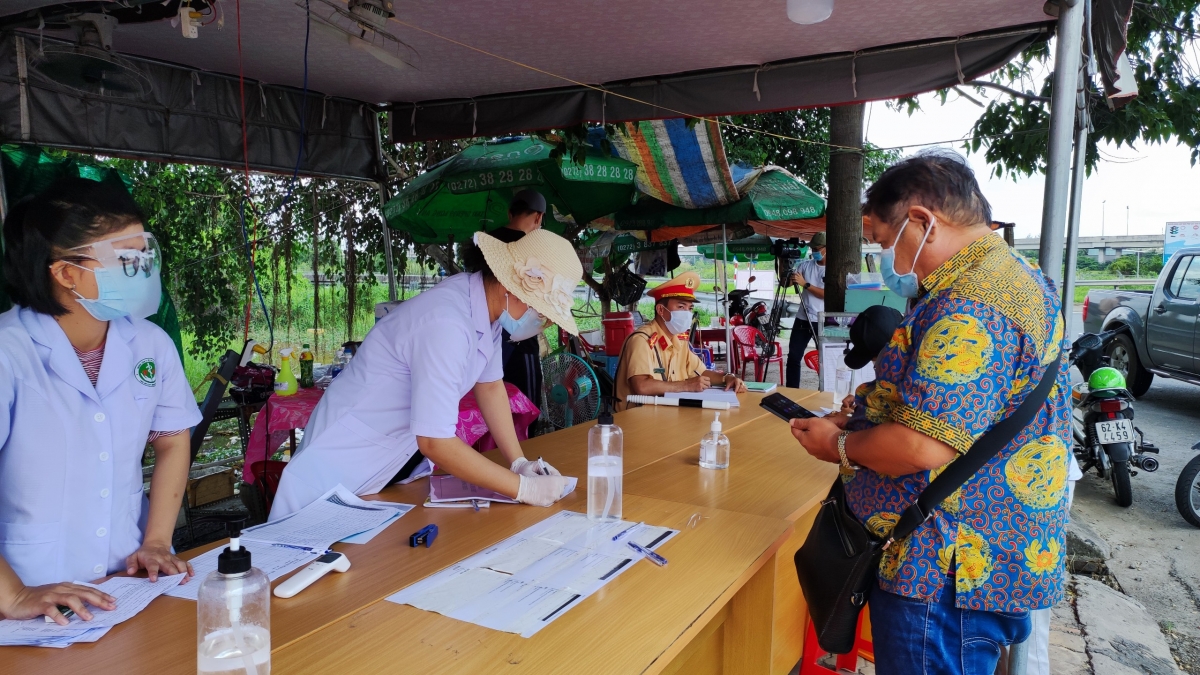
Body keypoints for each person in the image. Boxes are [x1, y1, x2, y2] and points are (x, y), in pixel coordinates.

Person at [789, 152, 1070, 675]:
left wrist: (837, 447)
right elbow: (953, 407)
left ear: (922, 222)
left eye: (883, 242)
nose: (888, 262)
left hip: (945, 570)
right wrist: (859, 418)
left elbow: (920, 447)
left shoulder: (973, 304)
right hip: (974, 555)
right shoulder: (1013, 276)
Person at [0, 178, 201, 625]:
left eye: (146, 254)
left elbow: (171, 440)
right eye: (126, 259)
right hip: (29, 588)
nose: (144, 269)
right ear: (66, 272)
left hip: (125, 580)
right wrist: (12, 595)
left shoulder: (150, 344)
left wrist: (155, 543)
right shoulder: (8, 351)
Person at [270, 229, 581, 519]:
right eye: (541, 311)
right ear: (507, 285)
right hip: (336, 467)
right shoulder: (447, 322)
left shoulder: (487, 313)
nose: (544, 323)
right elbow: (435, 441)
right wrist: (522, 489)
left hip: (384, 468)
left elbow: (490, 387)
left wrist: (519, 463)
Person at [460, 190, 549, 405]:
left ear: (510, 213)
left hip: (481, 332)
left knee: (484, 403)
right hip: (520, 342)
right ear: (538, 217)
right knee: (524, 407)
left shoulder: (485, 243)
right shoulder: (534, 251)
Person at [613, 271, 746, 411]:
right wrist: (687, 385)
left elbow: (702, 372)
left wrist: (727, 378)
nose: (687, 314)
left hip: (665, 414)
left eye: (690, 308)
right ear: (661, 310)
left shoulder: (679, 341)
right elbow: (641, 386)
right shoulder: (641, 340)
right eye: (681, 307)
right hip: (637, 418)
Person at [825, 304, 904, 432]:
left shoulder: (916, 383)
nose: (876, 368)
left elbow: (895, 431)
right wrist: (863, 401)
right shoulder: (900, 368)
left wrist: (853, 419)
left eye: (876, 360)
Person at [784, 232, 827, 388]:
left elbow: (827, 295)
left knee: (824, 359)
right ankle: (792, 389)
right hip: (802, 318)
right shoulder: (805, 265)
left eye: (817, 248)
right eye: (812, 248)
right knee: (794, 357)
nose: (814, 251)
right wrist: (784, 268)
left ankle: (824, 389)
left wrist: (805, 284)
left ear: (826, 249)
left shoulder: (832, 269)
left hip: (822, 320)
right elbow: (786, 285)